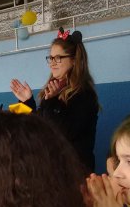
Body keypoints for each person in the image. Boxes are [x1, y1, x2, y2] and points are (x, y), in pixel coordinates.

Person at [10, 28, 99, 171]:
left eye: (58, 58)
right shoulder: (53, 90)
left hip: (74, 172)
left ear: (74, 60)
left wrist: (52, 101)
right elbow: (38, 128)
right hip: (52, 169)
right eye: (50, 58)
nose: (52, 63)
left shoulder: (84, 94)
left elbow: (59, 133)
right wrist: (27, 102)